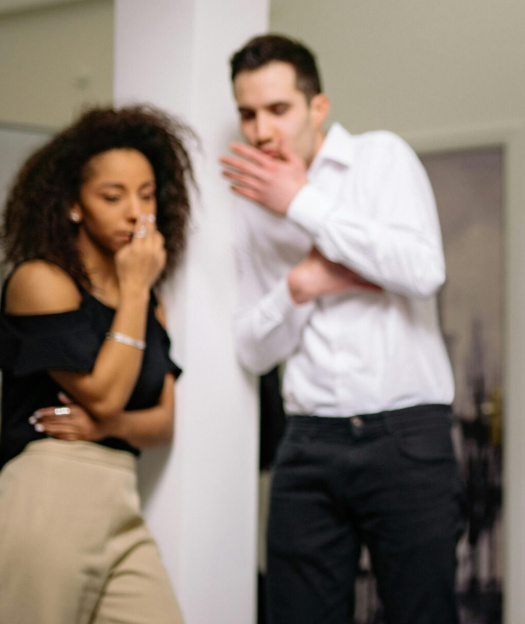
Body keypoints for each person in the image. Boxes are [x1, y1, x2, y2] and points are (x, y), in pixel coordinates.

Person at [221, 34, 460, 624]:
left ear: (317, 108)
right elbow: (251, 347)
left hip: (406, 437)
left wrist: (301, 202)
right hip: (307, 444)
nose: (260, 130)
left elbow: (422, 270)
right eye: (247, 114)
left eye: (278, 109)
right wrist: (299, 286)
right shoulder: (248, 208)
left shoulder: (381, 159)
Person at [0, 106, 192, 624]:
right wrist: (134, 288)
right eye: (113, 196)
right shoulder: (40, 282)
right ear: (73, 205)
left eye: (147, 195)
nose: (135, 212)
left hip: (119, 494)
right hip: (49, 489)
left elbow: (162, 422)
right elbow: (105, 391)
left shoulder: (149, 302)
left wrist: (108, 426)